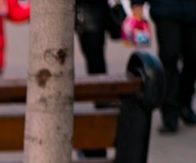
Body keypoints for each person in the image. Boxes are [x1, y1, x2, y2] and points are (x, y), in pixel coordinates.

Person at [132, 0, 196, 132]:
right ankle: (169, 111)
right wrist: (137, 3)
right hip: (165, 9)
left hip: (192, 10)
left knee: (193, 58)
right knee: (169, 57)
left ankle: (184, 102)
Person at [75, 0, 122, 75]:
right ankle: (99, 83)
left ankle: (99, 84)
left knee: (95, 61)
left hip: (90, 20)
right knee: (95, 59)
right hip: (91, 19)